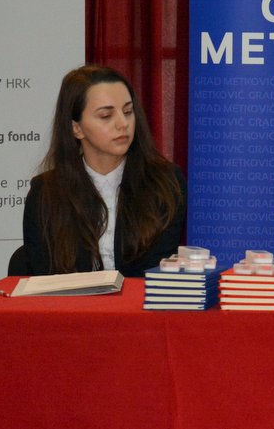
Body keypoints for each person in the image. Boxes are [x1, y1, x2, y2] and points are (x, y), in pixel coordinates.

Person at [22, 65, 185, 277]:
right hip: (70, 299)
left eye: (128, 112)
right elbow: (45, 276)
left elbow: (154, 272)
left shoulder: (165, 183)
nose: (123, 124)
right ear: (76, 128)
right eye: (106, 116)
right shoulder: (45, 193)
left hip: (142, 298)